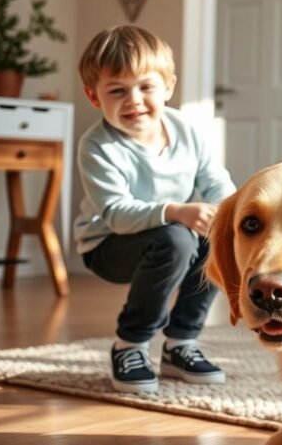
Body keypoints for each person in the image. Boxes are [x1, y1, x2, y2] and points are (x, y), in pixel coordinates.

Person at [75, 25, 235, 394]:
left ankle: (181, 343)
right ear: (93, 96)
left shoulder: (189, 130)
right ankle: (130, 345)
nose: (133, 100)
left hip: (169, 234)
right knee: (177, 238)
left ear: (168, 87)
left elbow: (216, 182)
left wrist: (229, 215)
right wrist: (177, 211)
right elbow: (115, 212)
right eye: (117, 90)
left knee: (215, 237)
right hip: (108, 246)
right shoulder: (97, 146)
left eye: (146, 87)